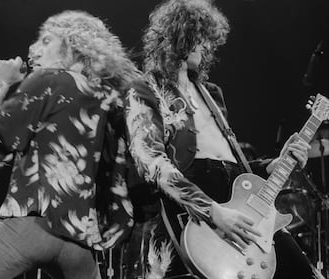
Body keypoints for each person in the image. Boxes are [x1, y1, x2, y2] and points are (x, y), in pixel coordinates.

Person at [0, 10, 140, 279]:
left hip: (32, 224)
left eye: (46, 41)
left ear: (75, 47)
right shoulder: (104, 100)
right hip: (79, 241)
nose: (34, 49)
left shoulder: (50, 79)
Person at [123, 0, 315, 278]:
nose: (205, 45)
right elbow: (152, 162)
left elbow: (226, 161)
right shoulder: (145, 89)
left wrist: (271, 166)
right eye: (199, 37)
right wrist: (211, 211)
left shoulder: (211, 93)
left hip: (240, 205)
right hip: (192, 212)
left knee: (300, 270)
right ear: (179, 36)